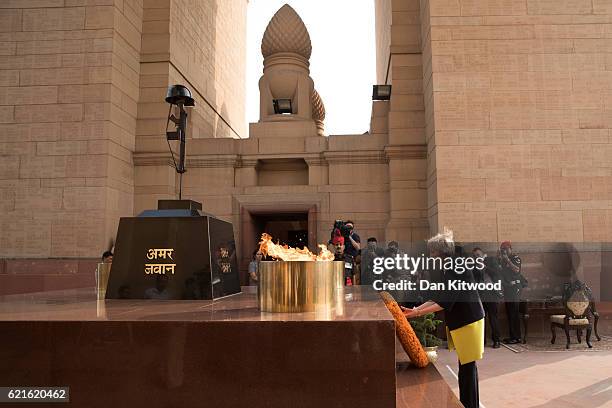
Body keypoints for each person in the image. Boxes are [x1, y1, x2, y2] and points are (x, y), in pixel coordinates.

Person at [402, 229, 484, 408]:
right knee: (467, 367)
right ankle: (469, 404)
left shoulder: (454, 267)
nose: (431, 256)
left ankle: (469, 405)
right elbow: (439, 296)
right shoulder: (451, 266)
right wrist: (415, 309)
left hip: (468, 321)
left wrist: (415, 313)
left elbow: (444, 303)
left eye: (433, 252)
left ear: (442, 252)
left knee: (467, 368)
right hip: (465, 319)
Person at [472, 247, 503, 348]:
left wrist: (484, 266)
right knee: (481, 319)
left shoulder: (491, 260)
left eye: (478, 254)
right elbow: (474, 277)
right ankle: (482, 341)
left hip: (492, 293)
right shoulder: (474, 265)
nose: (476, 257)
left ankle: (496, 341)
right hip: (481, 295)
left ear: (482, 253)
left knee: (493, 318)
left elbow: (497, 273)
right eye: (474, 255)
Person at [498, 241, 526, 344]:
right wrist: (501, 260)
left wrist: (507, 260)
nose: (504, 251)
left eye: (506, 249)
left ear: (511, 249)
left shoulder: (515, 258)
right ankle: (512, 336)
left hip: (515, 288)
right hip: (507, 288)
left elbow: (516, 270)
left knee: (514, 312)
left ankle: (517, 337)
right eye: (502, 249)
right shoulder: (502, 260)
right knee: (509, 313)